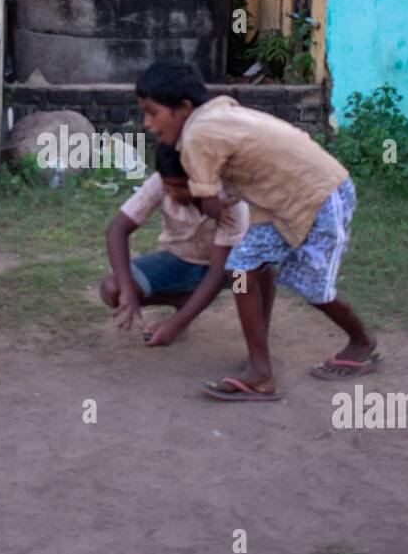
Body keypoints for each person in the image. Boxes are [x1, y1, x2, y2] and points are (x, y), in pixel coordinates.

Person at [135, 59, 379, 401]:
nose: (147, 123)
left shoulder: (197, 135)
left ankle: (362, 341)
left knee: (311, 286)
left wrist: (197, 203)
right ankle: (259, 369)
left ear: (184, 108)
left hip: (319, 196)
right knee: (243, 269)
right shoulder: (217, 115)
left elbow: (210, 204)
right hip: (285, 200)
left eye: (152, 112)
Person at [101, 142, 249, 347]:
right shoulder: (160, 182)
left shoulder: (230, 202)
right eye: (168, 185)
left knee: (247, 281)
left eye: (181, 186)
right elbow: (116, 230)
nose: (173, 192)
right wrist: (127, 291)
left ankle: (255, 342)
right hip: (179, 261)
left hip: (227, 269)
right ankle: (182, 300)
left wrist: (176, 325)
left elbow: (217, 272)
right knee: (113, 288)